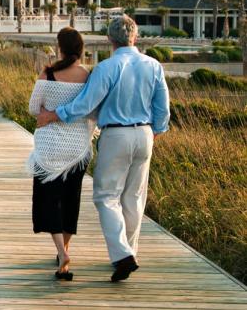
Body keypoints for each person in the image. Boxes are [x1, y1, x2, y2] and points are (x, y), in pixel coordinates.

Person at [37, 15, 170, 282]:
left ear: (110, 39)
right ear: (135, 37)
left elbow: (86, 104)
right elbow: (163, 108)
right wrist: (155, 131)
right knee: (133, 198)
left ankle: (123, 255)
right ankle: (129, 252)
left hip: (115, 134)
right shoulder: (154, 65)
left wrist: (54, 114)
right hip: (145, 133)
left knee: (106, 196)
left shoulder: (107, 68)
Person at [27, 27, 96, 281]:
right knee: (70, 200)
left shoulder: (49, 73)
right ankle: (64, 252)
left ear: (60, 48)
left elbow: (34, 107)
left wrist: (49, 109)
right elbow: (91, 111)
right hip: (77, 147)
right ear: (81, 49)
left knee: (48, 199)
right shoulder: (88, 76)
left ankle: (60, 251)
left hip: (49, 147)